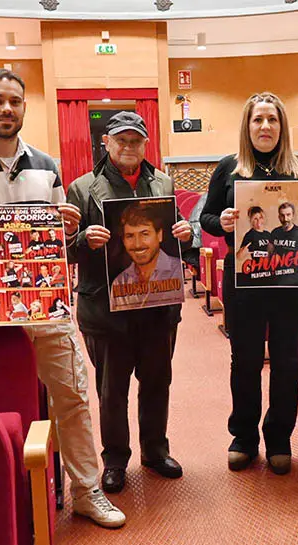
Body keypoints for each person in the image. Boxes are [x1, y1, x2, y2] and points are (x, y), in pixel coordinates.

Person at [0, 68, 125, 528]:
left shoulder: (46, 165)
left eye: (14, 101)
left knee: (73, 396)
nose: (7, 109)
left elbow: (55, 238)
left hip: (47, 306)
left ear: (24, 107)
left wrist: (65, 228)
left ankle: (86, 490)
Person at [201, 92, 298, 475]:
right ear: (247, 126)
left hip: (290, 279)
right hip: (244, 281)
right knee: (246, 360)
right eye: (258, 120)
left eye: (272, 120)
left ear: (282, 126)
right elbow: (205, 219)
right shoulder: (228, 169)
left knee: (287, 361)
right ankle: (243, 437)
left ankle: (279, 438)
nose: (266, 127)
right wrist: (219, 221)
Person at [67, 111, 192, 494]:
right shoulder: (82, 188)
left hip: (157, 306)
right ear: (106, 143)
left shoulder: (164, 183)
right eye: (120, 140)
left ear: (145, 144)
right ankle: (115, 459)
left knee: (157, 381)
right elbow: (64, 250)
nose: (128, 147)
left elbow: (180, 242)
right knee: (112, 388)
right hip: (106, 309)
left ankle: (155, 451)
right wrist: (83, 238)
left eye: (135, 140)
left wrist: (186, 235)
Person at [109, 201, 185, 310]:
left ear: (159, 235)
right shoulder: (119, 282)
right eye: (130, 236)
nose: (138, 244)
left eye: (145, 234)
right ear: (123, 241)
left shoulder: (176, 269)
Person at [270, 201, 298, 285]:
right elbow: (269, 253)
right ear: (279, 217)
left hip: (294, 277)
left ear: (293, 215)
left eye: (288, 215)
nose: (285, 219)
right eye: (282, 215)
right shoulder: (275, 232)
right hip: (276, 276)